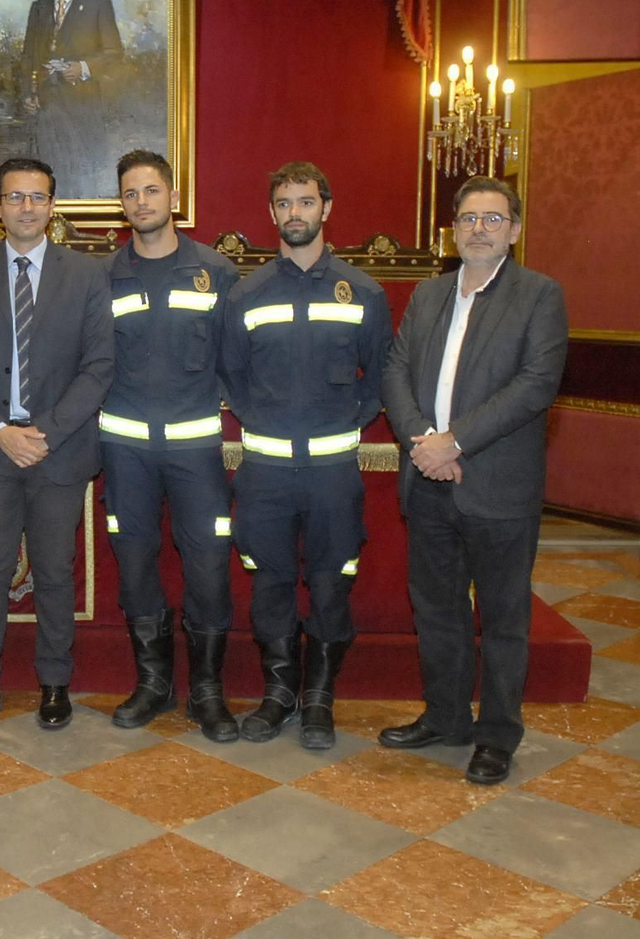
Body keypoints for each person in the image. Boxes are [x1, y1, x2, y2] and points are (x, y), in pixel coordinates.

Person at [378, 176, 568, 785]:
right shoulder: (428, 296)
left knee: (504, 617)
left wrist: (453, 442)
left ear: (514, 229)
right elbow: (396, 371)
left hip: (498, 488)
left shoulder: (540, 296)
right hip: (429, 482)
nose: (478, 229)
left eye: (492, 218)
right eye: (467, 218)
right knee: (437, 610)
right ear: (452, 229)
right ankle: (447, 717)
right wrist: (422, 445)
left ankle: (496, 735)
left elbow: (536, 385)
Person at [219, 161, 391, 750]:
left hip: (332, 474)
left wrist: (351, 420)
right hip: (264, 472)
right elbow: (232, 376)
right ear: (272, 215)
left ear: (326, 208)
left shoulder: (363, 291)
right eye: (285, 204)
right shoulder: (245, 294)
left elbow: (382, 375)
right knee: (268, 583)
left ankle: (319, 698)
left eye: (306, 202)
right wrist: (260, 421)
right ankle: (278, 694)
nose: (296, 213)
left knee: (329, 584)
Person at [0, 155, 114, 734]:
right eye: (14, 198)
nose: (26, 208)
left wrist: (45, 432)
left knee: (54, 570)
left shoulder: (87, 274)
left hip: (58, 450)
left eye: (37, 197)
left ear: (52, 205)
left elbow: (98, 366)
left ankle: (54, 683)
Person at [100, 150, 240, 742]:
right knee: (135, 566)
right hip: (124, 449)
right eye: (131, 193)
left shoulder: (216, 271)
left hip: (195, 451)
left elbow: (237, 358)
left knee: (208, 568)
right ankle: (153, 683)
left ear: (173, 196)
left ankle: (206, 689)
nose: (142, 202)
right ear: (122, 204)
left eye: (151, 190)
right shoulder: (103, 276)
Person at [21, 0, 124, 198]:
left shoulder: (98, 4)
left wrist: (84, 67)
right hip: (46, 112)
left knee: (81, 183)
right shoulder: (39, 8)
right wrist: (27, 95)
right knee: (47, 181)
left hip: (83, 111)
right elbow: (27, 59)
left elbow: (114, 53)